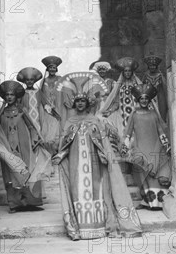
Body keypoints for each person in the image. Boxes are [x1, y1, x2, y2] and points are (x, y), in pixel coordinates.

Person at [52, 74, 142, 241]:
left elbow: (104, 141)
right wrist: (60, 154)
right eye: (77, 101)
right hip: (75, 162)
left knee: (97, 190)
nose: (80, 103)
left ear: (87, 104)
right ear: (74, 103)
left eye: (83, 101)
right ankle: (78, 227)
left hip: (95, 161)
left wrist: (104, 154)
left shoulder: (96, 120)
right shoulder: (69, 121)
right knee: (77, 190)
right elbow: (64, 143)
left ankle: (100, 226)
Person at [0, 80, 51, 213]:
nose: (9, 97)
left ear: (16, 96)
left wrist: (34, 140)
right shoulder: (1, 113)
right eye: (7, 95)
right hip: (8, 148)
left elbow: (32, 127)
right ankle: (14, 204)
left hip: (24, 146)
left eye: (12, 94)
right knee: (10, 174)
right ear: (4, 97)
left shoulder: (22, 110)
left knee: (27, 171)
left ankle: (31, 202)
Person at [123, 84, 171, 210]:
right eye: (141, 99)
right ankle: (146, 202)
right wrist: (125, 146)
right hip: (140, 148)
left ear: (149, 100)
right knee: (143, 175)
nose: (144, 101)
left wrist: (166, 144)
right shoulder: (134, 115)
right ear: (138, 100)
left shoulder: (154, 114)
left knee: (155, 175)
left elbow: (160, 131)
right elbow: (128, 132)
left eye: (146, 98)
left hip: (154, 147)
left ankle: (157, 203)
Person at [102, 57, 142, 137]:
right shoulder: (120, 86)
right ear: (123, 73)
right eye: (126, 71)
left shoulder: (137, 85)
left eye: (129, 71)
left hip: (135, 112)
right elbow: (117, 102)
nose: (127, 73)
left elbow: (142, 99)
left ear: (132, 72)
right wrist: (110, 110)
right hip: (122, 114)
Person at [39, 55, 63, 139]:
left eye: (54, 67)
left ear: (56, 69)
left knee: (59, 124)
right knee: (49, 126)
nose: (52, 69)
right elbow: (41, 95)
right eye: (50, 67)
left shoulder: (61, 79)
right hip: (47, 108)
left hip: (59, 106)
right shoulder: (44, 81)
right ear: (47, 69)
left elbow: (65, 92)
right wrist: (46, 106)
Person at [142, 54, 168, 123]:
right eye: (151, 66)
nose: (152, 67)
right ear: (148, 66)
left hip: (159, 97)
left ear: (156, 66)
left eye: (154, 65)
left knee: (160, 113)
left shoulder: (160, 75)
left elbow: (165, 87)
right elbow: (143, 87)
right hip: (149, 98)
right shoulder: (146, 76)